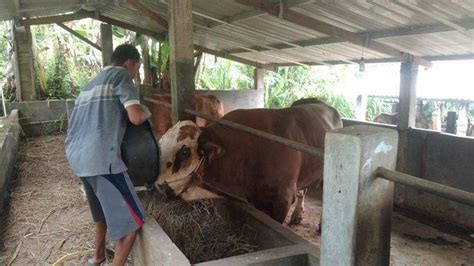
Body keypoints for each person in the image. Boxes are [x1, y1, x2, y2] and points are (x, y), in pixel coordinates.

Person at [65, 44, 151, 266]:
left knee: (102, 212)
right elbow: (136, 118)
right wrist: (147, 111)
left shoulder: (89, 85)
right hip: (102, 160)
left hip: (78, 158)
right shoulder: (122, 77)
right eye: (137, 67)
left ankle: (97, 257)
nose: (136, 72)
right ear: (129, 63)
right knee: (133, 223)